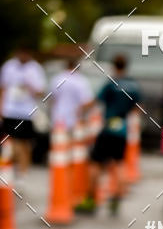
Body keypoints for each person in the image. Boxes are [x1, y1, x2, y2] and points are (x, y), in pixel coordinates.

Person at [75, 55, 140, 215]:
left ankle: (90, 199)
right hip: (123, 129)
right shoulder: (133, 86)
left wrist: (81, 110)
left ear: (113, 65)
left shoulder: (111, 83)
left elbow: (96, 101)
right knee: (119, 164)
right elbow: (137, 107)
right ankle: (117, 199)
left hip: (108, 128)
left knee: (96, 163)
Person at [0, 47, 46, 181]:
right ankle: (15, 170)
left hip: (26, 112)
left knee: (24, 144)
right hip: (10, 111)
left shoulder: (35, 68)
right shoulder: (9, 67)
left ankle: (23, 171)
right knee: (14, 142)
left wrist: (30, 86)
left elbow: (41, 92)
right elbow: (3, 88)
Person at [49, 58, 94, 131]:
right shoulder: (81, 81)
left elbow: (51, 100)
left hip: (57, 120)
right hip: (74, 122)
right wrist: (83, 117)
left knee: (58, 141)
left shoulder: (57, 79)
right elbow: (87, 102)